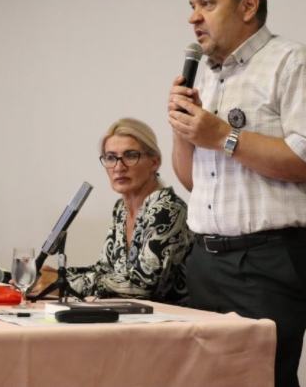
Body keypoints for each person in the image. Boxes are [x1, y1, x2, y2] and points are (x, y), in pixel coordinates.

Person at [167, 0, 306, 387]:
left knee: (263, 380)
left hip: (267, 261)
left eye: (207, 3)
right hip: (206, 260)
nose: (193, 17)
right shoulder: (207, 78)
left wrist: (223, 136)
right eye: (192, 5)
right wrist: (182, 129)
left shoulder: (293, 62)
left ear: (248, 5)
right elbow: (194, 182)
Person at [32, 118, 194, 304]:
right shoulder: (121, 209)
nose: (118, 167)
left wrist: (61, 283)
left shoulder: (167, 208)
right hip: (136, 316)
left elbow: (140, 286)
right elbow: (106, 271)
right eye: (110, 157)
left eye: (130, 155)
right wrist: (57, 275)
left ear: (154, 162)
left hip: (175, 317)